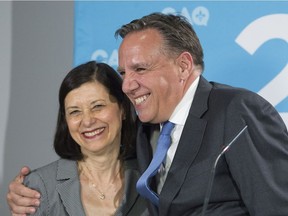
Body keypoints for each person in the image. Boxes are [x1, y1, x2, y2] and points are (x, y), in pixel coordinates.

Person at [7, 12, 288, 216]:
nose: (127, 84)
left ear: (183, 66)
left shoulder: (237, 110)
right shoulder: (149, 128)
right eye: (123, 73)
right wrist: (29, 190)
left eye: (140, 69)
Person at [7, 60, 148, 215]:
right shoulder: (38, 187)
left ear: (123, 110)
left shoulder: (151, 178)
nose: (87, 121)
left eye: (97, 106)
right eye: (75, 111)